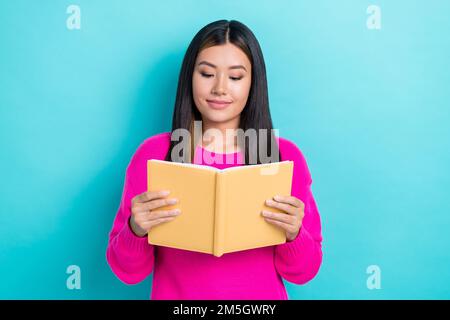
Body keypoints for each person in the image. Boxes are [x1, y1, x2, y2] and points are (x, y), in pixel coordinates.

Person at [106, 19, 323, 300]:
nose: (220, 88)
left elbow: (303, 273)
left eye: (235, 77)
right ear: (190, 77)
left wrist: (295, 235)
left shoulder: (282, 157)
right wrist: (136, 229)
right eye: (207, 74)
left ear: (253, 83)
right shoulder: (155, 154)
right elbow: (128, 273)